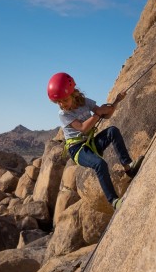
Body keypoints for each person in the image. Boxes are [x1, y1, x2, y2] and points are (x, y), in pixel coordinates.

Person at [47, 72, 144, 210]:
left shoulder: (85, 102)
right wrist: (98, 113)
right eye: (58, 102)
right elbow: (83, 128)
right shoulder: (63, 114)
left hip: (91, 143)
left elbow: (106, 115)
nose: (62, 104)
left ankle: (129, 167)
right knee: (100, 164)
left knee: (112, 131)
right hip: (78, 150)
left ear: (73, 94)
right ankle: (114, 200)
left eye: (64, 100)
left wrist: (116, 101)